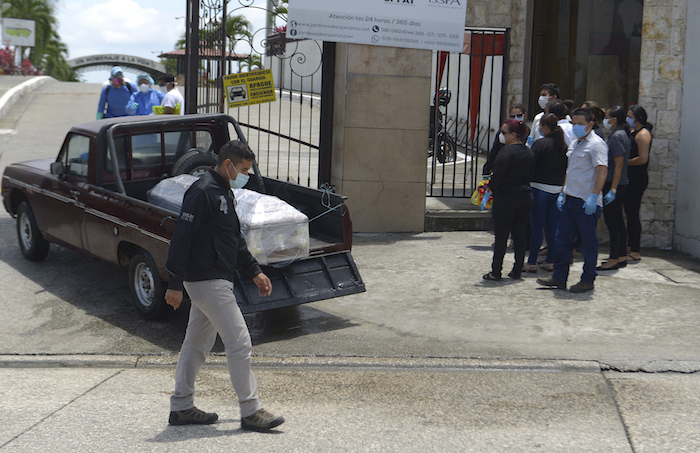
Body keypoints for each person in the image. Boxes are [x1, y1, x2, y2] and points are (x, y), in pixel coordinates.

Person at [165, 140, 285, 431]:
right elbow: (182, 237)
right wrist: (174, 283)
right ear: (228, 164)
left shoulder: (223, 193)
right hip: (207, 279)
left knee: (196, 344)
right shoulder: (203, 191)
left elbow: (232, 239)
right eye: (243, 169)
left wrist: (254, 271)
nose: (246, 175)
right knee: (239, 342)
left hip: (214, 277)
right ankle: (251, 411)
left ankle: (181, 406)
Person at [537, 108, 608, 293]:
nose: (576, 127)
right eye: (573, 123)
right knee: (562, 240)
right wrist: (563, 192)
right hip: (570, 198)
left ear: (590, 124)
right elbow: (570, 170)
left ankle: (587, 279)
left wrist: (594, 196)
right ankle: (559, 277)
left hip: (586, 202)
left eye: (580, 124)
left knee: (587, 243)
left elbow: (602, 171)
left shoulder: (596, 145)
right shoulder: (576, 143)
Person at [483, 119, 534, 281]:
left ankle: (496, 271)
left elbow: (498, 175)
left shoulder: (505, 153)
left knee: (501, 236)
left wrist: (490, 187)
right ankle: (517, 270)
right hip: (525, 195)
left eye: (504, 133)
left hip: (506, 197)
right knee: (519, 235)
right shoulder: (528, 152)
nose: (501, 136)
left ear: (513, 135)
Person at [524, 113, 568, 273]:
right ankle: (550, 260)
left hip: (539, 189)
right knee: (552, 227)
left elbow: (529, 163)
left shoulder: (540, 144)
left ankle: (532, 262)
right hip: (556, 191)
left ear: (544, 127)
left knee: (536, 227)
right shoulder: (562, 146)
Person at [597, 105, 631, 270]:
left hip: (613, 183)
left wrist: (613, 189)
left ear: (614, 119)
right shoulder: (621, 134)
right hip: (618, 183)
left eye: (607, 116)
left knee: (613, 222)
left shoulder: (617, 136)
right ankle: (621, 255)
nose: (605, 120)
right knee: (618, 220)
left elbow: (618, 165)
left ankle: (614, 258)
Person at [623, 105, 653, 261]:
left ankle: (635, 250)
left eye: (630, 116)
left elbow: (642, 158)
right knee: (628, 212)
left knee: (633, 213)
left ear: (638, 118)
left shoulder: (642, 134)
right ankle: (628, 246)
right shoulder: (632, 132)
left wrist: (624, 163)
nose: (628, 119)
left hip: (637, 179)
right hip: (629, 177)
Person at [482, 103, 530, 175]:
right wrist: (487, 169)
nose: (516, 118)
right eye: (512, 116)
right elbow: (494, 151)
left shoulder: (527, 132)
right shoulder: (503, 131)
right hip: (502, 166)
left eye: (519, 116)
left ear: (524, 115)